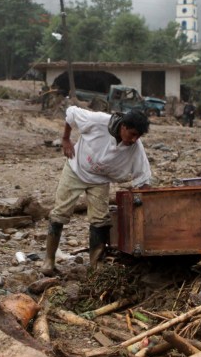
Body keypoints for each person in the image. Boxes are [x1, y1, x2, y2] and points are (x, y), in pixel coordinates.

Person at [42, 106, 151, 275]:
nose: (135, 139)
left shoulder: (135, 147)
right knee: (60, 213)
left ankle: (96, 265)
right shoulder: (98, 121)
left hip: (100, 180)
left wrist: (148, 204)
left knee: (100, 219)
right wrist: (65, 139)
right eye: (133, 134)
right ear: (123, 127)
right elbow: (71, 113)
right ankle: (49, 260)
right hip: (76, 169)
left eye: (139, 136)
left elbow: (143, 177)